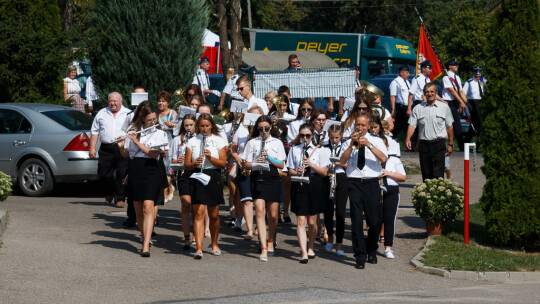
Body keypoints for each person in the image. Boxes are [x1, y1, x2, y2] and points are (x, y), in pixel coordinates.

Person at [117, 103, 169, 257]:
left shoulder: (160, 134)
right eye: (149, 120)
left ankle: (146, 245)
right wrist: (121, 146)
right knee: (138, 209)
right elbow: (127, 155)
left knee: (148, 207)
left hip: (151, 169)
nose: (152, 122)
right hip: (135, 169)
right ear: (142, 119)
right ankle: (143, 235)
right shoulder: (133, 131)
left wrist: (137, 142)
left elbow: (154, 154)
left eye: (154, 119)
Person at [340, 111, 387, 269]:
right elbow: (342, 160)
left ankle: (372, 249)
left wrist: (368, 144)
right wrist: (351, 145)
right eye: (357, 125)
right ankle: (359, 255)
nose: (360, 128)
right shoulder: (349, 141)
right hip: (355, 182)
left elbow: (383, 158)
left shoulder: (377, 140)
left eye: (363, 125)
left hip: (372, 182)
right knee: (356, 220)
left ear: (368, 127)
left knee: (374, 221)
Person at [241, 115, 286, 262]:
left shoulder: (277, 143)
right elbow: (245, 164)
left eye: (266, 128)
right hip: (257, 176)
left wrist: (269, 158)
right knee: (260, 211)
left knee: (273, 216)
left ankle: (271, 239)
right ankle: (263, 247)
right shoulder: (252, 142)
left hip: (272, 177)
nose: (263, 131)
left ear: (270, 128)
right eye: (260, 129)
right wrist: (255, 163)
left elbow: (281, 165)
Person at [185, 114, 228, 259]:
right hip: (197, 175)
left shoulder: (218, 141)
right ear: (198, 126)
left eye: (207, 126)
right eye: (202, 126)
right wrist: (195, 163)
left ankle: (215, 243)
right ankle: (198, 248)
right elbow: (187, 165)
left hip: (213, 176)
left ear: (212, 126)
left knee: (214, 215)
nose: (204, 129)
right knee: (198, 213)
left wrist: (210, 157)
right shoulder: (192, 141)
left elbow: (223, 163)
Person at [287, 123, 329, 263]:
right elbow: (290, 170)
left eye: (307, 136)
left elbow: (324, 172)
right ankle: (304, 252)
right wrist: (297, 171)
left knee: (312, 221)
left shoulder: (319, 150)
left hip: (314, 183)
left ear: (312, 136)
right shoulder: (294, 149)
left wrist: (312, 165)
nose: (304, 138)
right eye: (302, 135)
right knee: (301, 220)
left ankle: (311, 246)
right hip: (299, 184)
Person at [406, 83, 454, 181]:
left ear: (436, 93)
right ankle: (427, 195)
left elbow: (449, 127)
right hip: (424, 145)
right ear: (424, 94)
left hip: (439, 144)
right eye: (427, 92)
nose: (430, 94)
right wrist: (408, 139)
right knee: (426, 175)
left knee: (438, 174)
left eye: (432, 91)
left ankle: (437, 195)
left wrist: (451, 144)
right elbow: (412, 125)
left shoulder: (444, 107)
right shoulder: (418, 108)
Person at [90, 92, 131, 208]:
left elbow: (133, 131)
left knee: (122, 174)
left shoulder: (128, 113)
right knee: (104, 174)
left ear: (121, 102)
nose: (112, 103)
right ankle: (109, 193)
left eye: (115, 101)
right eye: (110, 101)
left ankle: (120, 198)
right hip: (106, 148)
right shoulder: (101, 113)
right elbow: (94, 132)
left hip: (122, 148)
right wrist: (92, 148)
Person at [231, 106, 262, 240]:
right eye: (251, 115)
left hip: (259, 168)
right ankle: (249, 229)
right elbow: (233, 149)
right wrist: (238, 159)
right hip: (244, 167)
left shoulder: (263, 131)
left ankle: (258, 226)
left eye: (257, 116)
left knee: (260, 200)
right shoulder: (241, 130)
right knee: (247, 200)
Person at [378, 133, 406, 259]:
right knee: (375, 220)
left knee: (389, 219)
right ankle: (371, 246)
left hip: (391, 189)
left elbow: (403, 177)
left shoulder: (394, 160)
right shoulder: (372, 160)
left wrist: (388, 173)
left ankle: (388, 247)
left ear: (387, 147)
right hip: (376, 190)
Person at [170, 114, 196, 250]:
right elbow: (171, 160)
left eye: (191, 125)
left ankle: (196, 235)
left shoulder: (199, 139)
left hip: (197, 173)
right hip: (183, 174)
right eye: (186, 125)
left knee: (196, 206)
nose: (189, 128)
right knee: (186, 204)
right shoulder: (176, 140)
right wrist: (178, 160)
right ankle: (186, 237)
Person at [323, 124, 348, 256]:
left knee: (340, 212)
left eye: (337, 137)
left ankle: (339, 244)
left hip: (342, 177)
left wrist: (339, 163)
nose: (334, 140)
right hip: (329, 176)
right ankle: (330, 238)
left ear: (341, 136)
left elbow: (349, 164)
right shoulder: (324, 146)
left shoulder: (345, 147)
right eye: (332, 138)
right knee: (328, 210)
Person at [156, 91, 178, 203]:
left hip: (169, 144)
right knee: (160, 169)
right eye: (159, 101)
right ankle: (169, 187)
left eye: (163, 101)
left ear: (168, 103)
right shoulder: (155, 114)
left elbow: (179, 128)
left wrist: (173, 125)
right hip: (158, 144)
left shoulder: (173, 113)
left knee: (167, 169)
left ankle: (165, 194)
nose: (161, 103)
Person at [441, 59, 467, 150]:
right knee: (455, 123)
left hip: (455, 102)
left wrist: (466, 103)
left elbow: (460, 91)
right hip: (448, 102)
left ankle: (459, 144)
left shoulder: (457, 77)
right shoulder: (446, 77)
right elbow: (452, 91)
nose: (457, 66)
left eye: (457, 65)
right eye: (455, 65)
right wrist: (461, 101)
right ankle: (461, 145)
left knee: (455, 123)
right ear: (450, 66)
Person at [462, 66, 484, 138]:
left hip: (481, 102)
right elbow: (463, 94)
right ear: (473, 74)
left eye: (479, 74)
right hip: (473, 103)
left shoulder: (482, 82)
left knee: (475, 123)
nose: (478, 75)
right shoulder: (469, 82)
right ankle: (479, 139)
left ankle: (467, 141)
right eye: (476, 74)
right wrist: (468, 104)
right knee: (479, 122)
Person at [389, 65, 411, 139]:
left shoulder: (407, 81)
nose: (409, 74)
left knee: (399, 126)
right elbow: (392, 96)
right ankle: (411, 143)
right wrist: (393, 109)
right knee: (406, 125)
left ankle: (390, 138)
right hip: (401, 107)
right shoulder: (395, 82)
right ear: (401, 73)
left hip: (407, 107)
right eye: (407, 73)